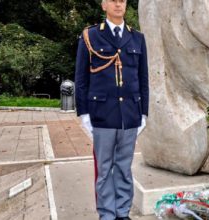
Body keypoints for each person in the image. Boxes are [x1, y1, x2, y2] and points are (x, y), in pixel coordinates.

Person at [74, 0, 149, 219]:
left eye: (122, 0)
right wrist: (84, 114)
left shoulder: (137, 38)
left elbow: (143, 79)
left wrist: (144, 112)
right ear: (104, 5)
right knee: (104, 169)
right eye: (113, 0)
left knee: (124, 168)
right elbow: (81, 79)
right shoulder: (90, 36)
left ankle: (123, 212)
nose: (118, 4)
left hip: (129, 114)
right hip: (102, 114)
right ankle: (107, 214)